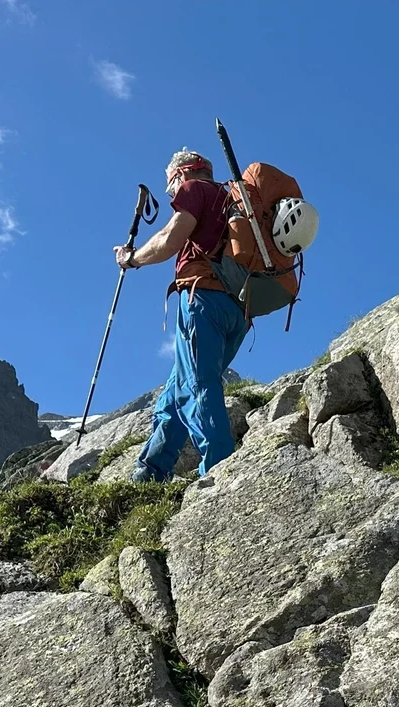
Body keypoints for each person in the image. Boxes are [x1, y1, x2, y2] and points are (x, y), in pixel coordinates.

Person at [115, 149, 250, 481]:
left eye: (169, 187)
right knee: (177, 390)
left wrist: (131, 260)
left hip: (204, 298)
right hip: (241, 309)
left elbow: (170, 239)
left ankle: (219, 472)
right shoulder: (233, 199)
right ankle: (148, 473)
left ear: (180, 175)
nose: (171, 195)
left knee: (198, 386)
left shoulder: (194, 190)